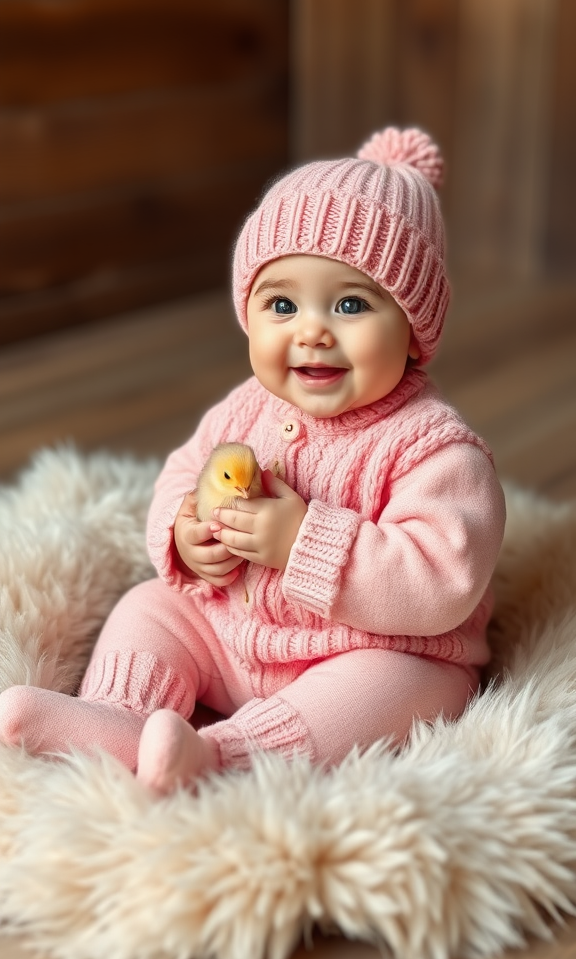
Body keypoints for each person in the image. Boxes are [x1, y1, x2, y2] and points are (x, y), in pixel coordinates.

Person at [0, 127, 506, 794]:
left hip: (365, 653)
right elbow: (183, 475)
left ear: (414, 329)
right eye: (282, 303)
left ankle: (224, 757)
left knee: (404, 687)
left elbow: (444, 578)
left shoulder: (434, 446)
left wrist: (303, 540)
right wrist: (187, 535)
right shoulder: (245, 410)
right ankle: (119, 717)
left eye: (351, 303)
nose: (312, 330)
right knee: (154, 605)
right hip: (235, 635)